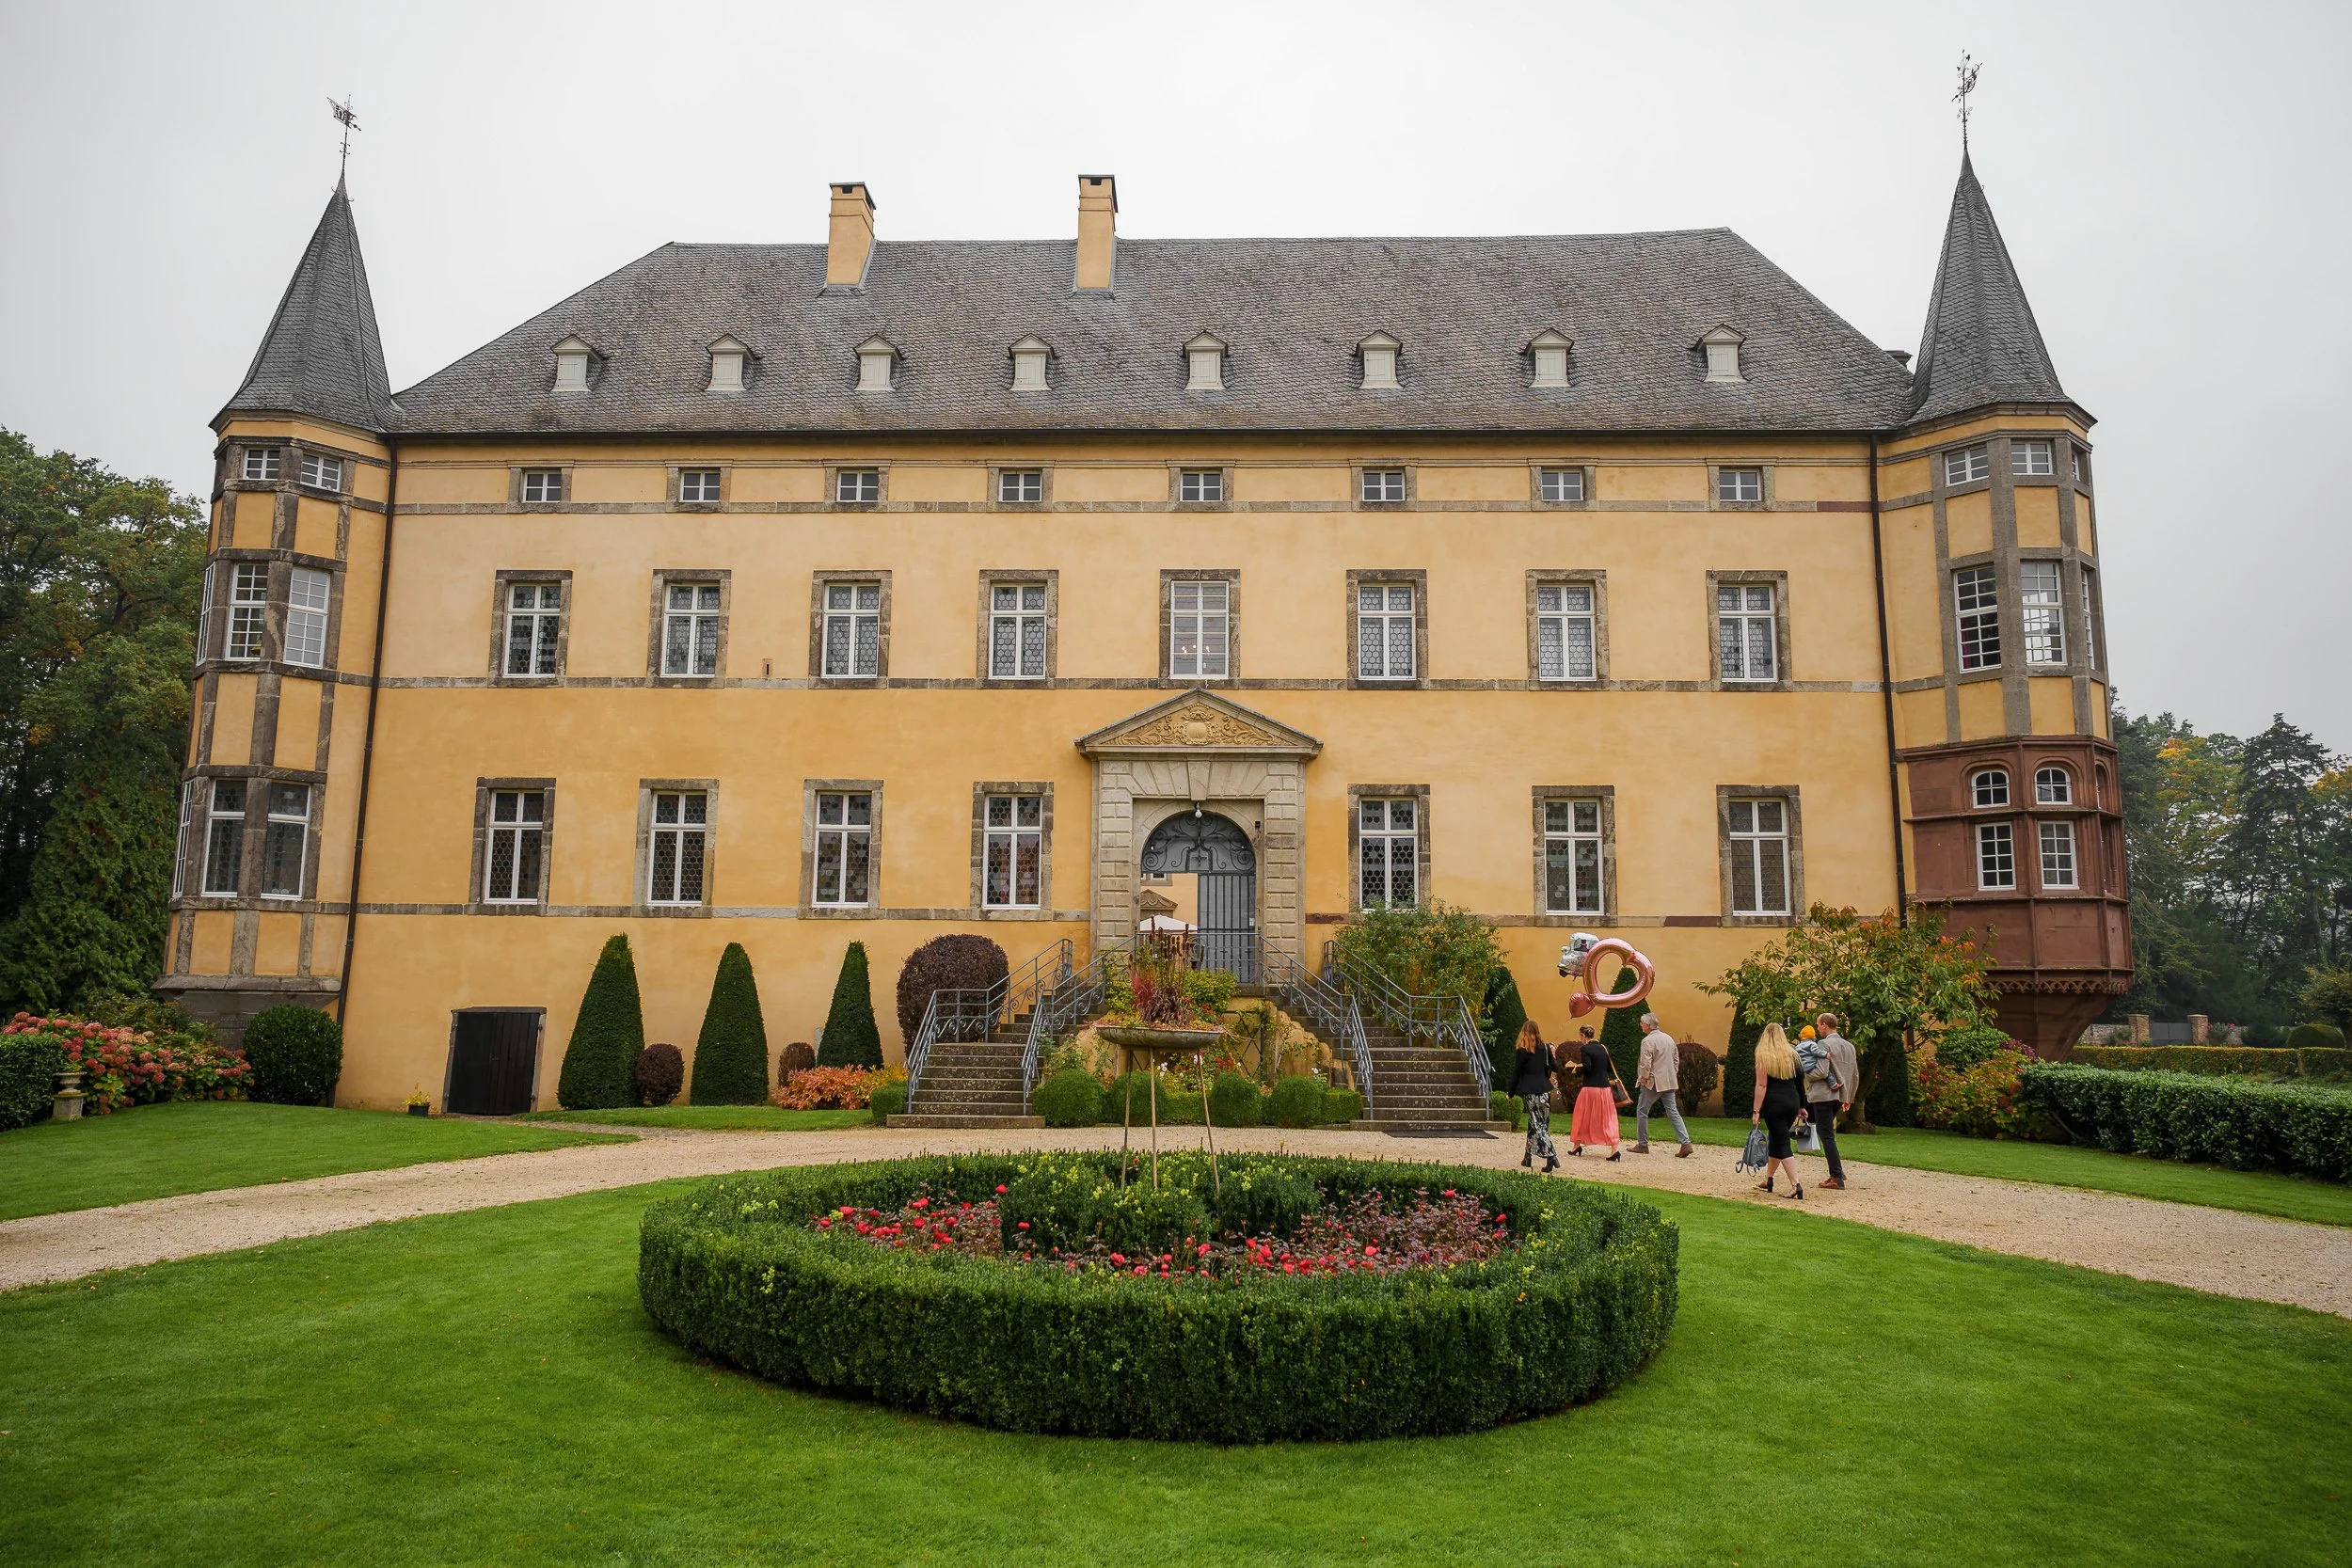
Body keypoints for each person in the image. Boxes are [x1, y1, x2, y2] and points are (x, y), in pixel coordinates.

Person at [1750, 1022, 1806, 1198]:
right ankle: (1769, 1178)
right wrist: (1802, 1106)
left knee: (1782, 1143)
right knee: (1776, 1138)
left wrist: (1756, 1110)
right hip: (1791, 1101)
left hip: (1774, 1103)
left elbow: (1761, 1085)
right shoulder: (1792, 1055)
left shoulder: (1763, 1056)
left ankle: (1795, 1184)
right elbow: (1800, 1084)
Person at [1631, 1012, 1694, 1158]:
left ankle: (1642, 1144)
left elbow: (1645, 1064)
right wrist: (1672, 1074)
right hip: (1669, 1081)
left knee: (1642, 1110)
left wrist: (1643, 1079)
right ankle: (1685, 1143)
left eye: (1642, 1023)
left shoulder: (1647, 1041)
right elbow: (1676, 1059)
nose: (1641, 1025)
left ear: (1647, 1025)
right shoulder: (1668, 1038)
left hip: (1653, 1081)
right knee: (1673, 1112)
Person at [1811, 1011, 1858, 1190]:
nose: (1817, 1028)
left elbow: (1822, 1072)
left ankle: (1836, 1176)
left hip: (1825, 1094)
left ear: (1824, 1025)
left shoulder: (1823, 1043)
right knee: (1826, 1133)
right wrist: (1849, 1097)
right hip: (1840, 1095)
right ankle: (1838, 1171)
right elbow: (1855, 1075)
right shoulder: (1849, 1046)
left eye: (1818, 1025)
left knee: (1826, 1133)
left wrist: (1806, 1073)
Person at [1509, 1020, 1562, 1174]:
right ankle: (1527, 1157)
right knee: (1537, 1124)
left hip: (1531, 1092)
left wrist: (1510, 1093)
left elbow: (1517, 1073)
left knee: (1538, 1126)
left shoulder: (1523, 1050)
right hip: (1544, 1092)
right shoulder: (1545, 1048)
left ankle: (1551, 1155)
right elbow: (1555, 1068)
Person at [1567, 1024, 1623, 1161]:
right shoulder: (1604, 1048)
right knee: (1607, 1118)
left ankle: (1577, 1144)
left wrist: (1576, 1069)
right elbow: (1609, 1068)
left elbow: (1588, 1068)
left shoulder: (1585, 1048)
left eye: (1580, 1036)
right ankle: (1614, 1148)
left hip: (1590, 1088)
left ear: (1583, 1036)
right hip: (1604, 1089)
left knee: (1582, 1116)